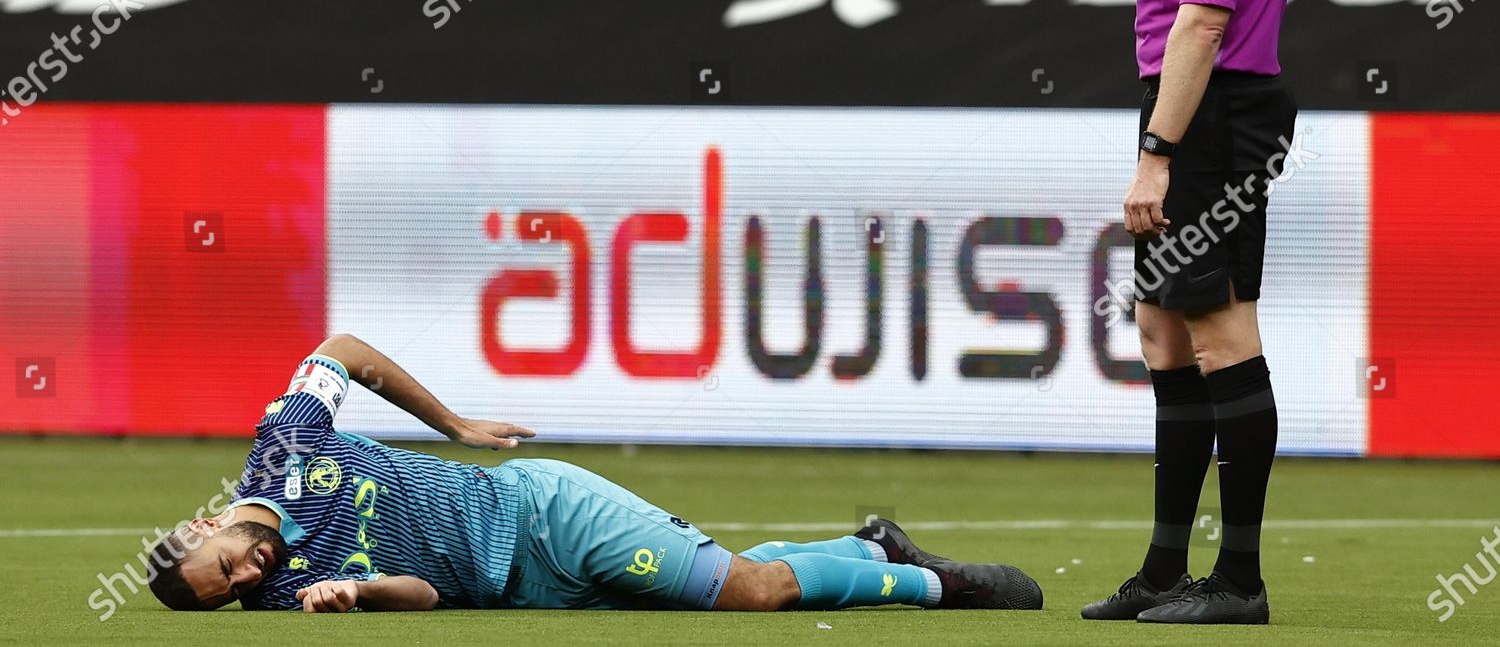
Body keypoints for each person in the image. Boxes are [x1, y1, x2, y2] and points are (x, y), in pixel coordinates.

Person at [146, 333, 1043, 614]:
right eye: (232, 590)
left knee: (756, 595)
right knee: (727, 585)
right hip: (527, 592)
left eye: (225, 564)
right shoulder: (282, 599)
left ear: (200, 529)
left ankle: (940, 585)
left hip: (542, 514)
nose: (249, 575)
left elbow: (341, 351)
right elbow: (424, 596)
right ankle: (863, 544)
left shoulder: (284, 448)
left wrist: (453, 423)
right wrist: (362, 594)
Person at [1081, 0, 1297, 625]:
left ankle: (1240, 581)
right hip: (1189, 112)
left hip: (1212, 116)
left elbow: (1204, 23)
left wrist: (1159, 152)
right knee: (1163, 330)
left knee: (1217, 332)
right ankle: (1167, 570)